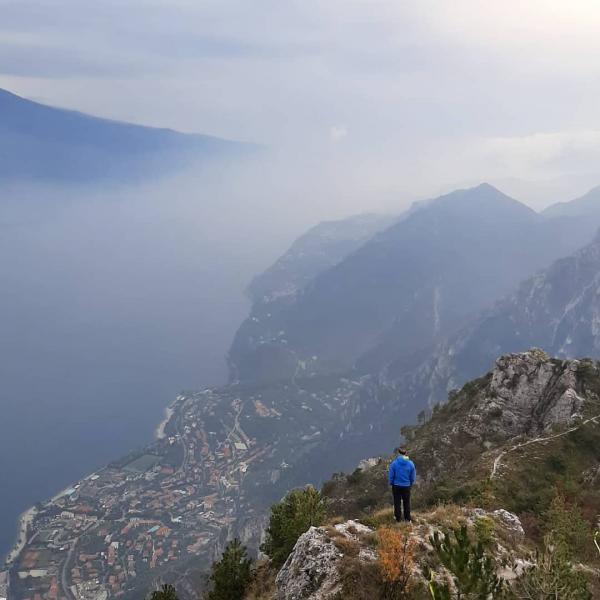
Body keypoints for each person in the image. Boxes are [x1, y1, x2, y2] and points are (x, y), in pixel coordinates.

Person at [388, 447, 416, 522]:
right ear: (406, 453)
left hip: (396, 486)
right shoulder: (410, 463)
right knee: (406, 502)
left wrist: (391, 483)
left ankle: (398, 519)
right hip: (406, 486)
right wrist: (410, 483)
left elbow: (391, 475)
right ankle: (407, 518)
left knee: (397, 502)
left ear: (399, 453)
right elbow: (412, 476)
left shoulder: (394, 463)